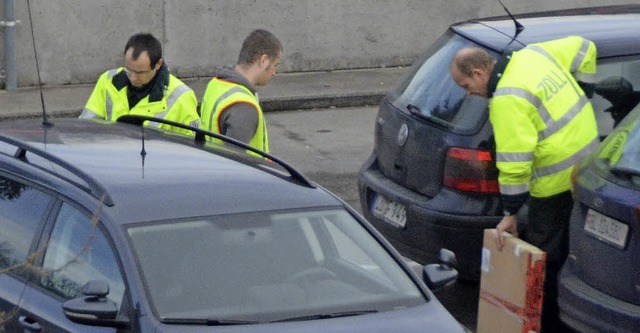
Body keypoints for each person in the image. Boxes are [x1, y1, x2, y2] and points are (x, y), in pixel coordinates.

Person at [450, 36, 600, 332]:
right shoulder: (534, 55)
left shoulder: (506, 98)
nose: (470, 94)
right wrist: (586, 90)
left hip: (554, 188)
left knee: (544, 267)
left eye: (467, 87)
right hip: (589, 169)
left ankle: (549, 326)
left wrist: (510, 214)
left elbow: (514, 164)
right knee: (580, 256)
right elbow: (585, 47)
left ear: (479, 73)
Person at [80, 33, 199, 136]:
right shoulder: (108, 80)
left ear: (158, 64)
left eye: (140, 73)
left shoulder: (181, 96)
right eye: (128, 69)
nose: (132, 77)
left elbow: (192, 147)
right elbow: (86, 126)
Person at [199, 29, 282, 153]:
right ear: (263, 60)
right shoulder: (244, 107)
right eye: (275, 64)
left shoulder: (216, 84)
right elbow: (235, 165)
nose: (274, 72)